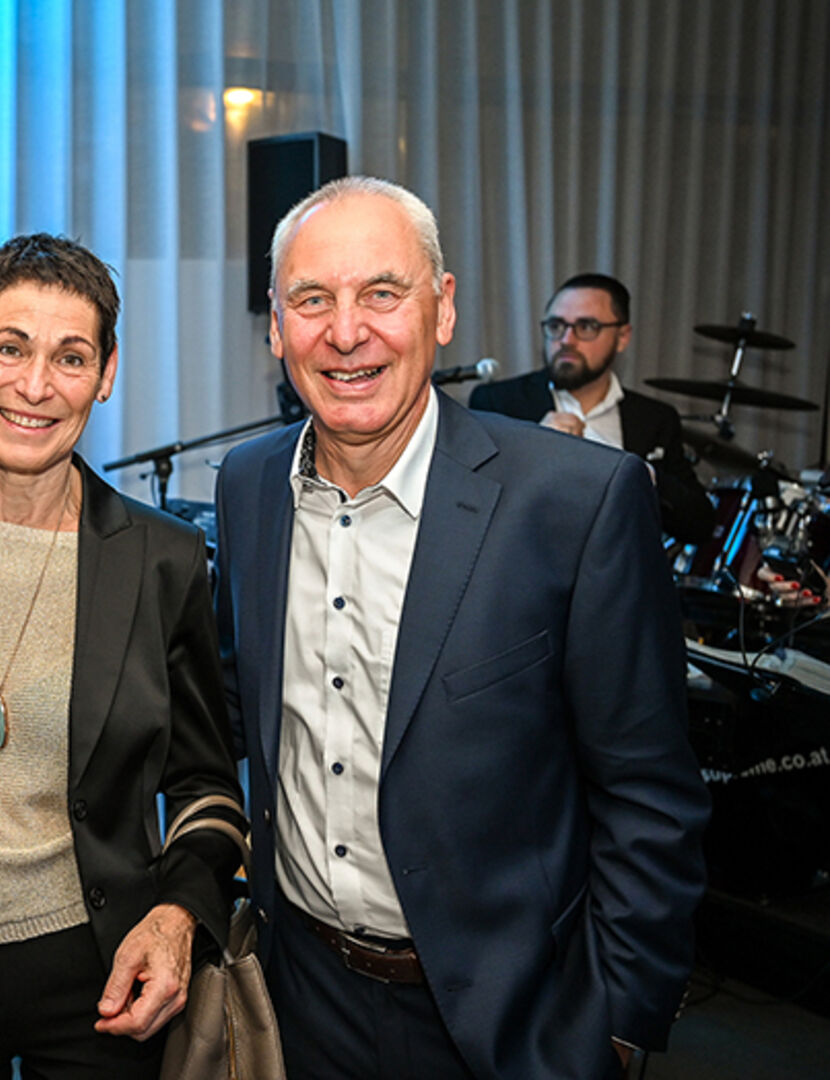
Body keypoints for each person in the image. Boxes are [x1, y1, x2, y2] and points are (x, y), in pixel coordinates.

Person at [214, 177, 711, 1079]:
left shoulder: (577, 501)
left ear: (442, 309)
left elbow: (650, 794)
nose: (347, 331)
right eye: (312, 300)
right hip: (301, 999)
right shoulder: (248, 487)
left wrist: (618, 1024)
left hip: (513, 1022)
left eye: (382, 293)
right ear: (276, 328)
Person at [0, 234, 245, 1078]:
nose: (35, 386)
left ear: (105, 375)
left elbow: (207, 782)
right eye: (9, 347)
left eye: (70, 357)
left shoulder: (163, 558)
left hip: (101, 975)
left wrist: (179, 915)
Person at [469, 273, 715, 545]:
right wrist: (534, 453)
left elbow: (700, 525)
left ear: (622, 337)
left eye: (586, 327)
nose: (566, 340)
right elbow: (471, 510)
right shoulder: (499, 404)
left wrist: (643, 476)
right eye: (556, 325)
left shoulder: (654, 419)